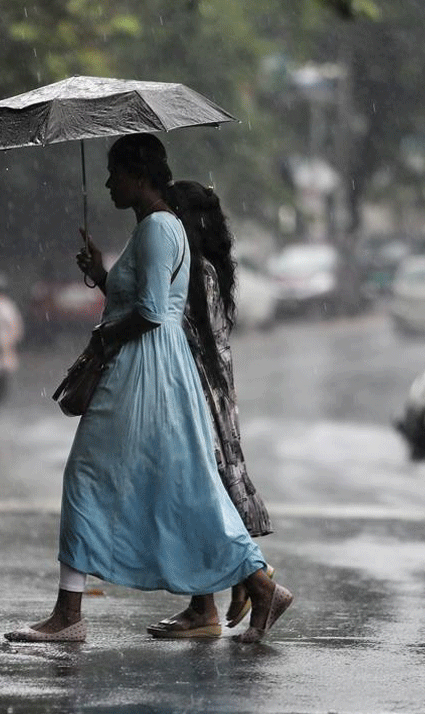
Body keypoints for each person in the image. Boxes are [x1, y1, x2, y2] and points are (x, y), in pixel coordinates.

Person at [4, 134, 292, 644]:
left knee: (87, 477)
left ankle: (68, 615)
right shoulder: (161, 227)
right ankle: (259, 583)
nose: (110, 183)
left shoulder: (159, 227)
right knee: (184, 486)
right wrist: (103, 275)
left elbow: (154, 312)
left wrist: (104, 334)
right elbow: (144, 297)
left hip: (143, 372)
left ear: (140, 174)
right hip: (156, 369)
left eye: (116, 173)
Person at [145, 180, 275, 639]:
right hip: (211, 394)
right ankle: (217, 597)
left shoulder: (193, 270)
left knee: (198, 495)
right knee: (201, 494)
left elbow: (160, 322)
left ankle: (247, 585)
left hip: (194, 395)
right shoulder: (212, 268)